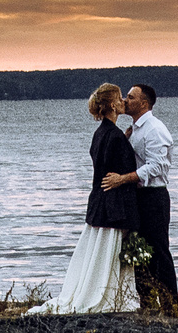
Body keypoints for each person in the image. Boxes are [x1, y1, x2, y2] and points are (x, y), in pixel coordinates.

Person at [21, 82, 141, 315]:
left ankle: (99, 290)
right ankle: (106, 294)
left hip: (99, 203)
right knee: (107, 252)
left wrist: (124, 139)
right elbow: (118, 171)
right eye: (120, 98)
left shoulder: (102, 134)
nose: (123, 102)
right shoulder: (114, 136)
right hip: (113, 207)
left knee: (97, 253)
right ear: (112, 104)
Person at [99, 85, 177, 312]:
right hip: (137, 197)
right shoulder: (134, 129)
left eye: (131, 97)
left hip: (154, 196)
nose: (125, 100)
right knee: (138, 250)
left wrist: (123, 179)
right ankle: (147, 303)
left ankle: (171, 307)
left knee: (159, 251)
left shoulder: (154, 129)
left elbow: (158, 165)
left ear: (144, 103)